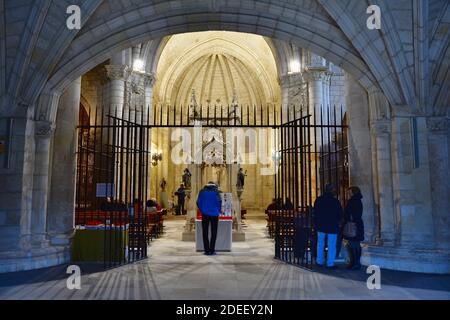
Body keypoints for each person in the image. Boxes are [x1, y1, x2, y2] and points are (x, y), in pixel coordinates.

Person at [313, 183, 343, 269]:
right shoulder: (335, 201)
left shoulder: (318, 200)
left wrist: (316, 222)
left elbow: (315, 212)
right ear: (332, 190)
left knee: (320, 244)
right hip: (332, 225)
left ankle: (319, 261)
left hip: (320, 225)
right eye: (334, 189)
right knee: (331, 245)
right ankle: (330, 263)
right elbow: (340, 214)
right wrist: (339, 222)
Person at [197, 182, 222, 256]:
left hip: (205, 214)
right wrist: (218, 210)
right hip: (214, 214)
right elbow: (220, 201)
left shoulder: (202, 191)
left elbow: (198, 202)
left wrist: (202, 210)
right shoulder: (216, 192)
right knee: (214, 232)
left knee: (205, 232)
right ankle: (212, 250)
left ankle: (206, 250)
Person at [343, 186, 364, 270]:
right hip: (355, 225)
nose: (348, 194)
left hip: (354, 225)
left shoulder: (353, 201)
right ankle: (354, 262)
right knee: (352, 244)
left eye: (349, 192)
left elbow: (354, 214)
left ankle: (355, 263)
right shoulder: (356, 201)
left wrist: (348, 218)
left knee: (354, 244)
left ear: (353, 192)